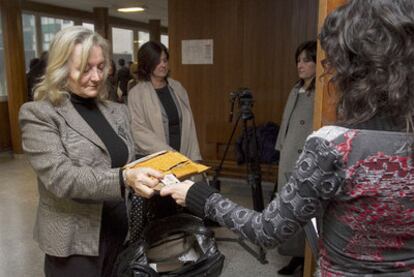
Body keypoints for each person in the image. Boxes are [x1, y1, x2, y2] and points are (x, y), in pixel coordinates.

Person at [139, 0, 414, 275]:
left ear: (354, 69)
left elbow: (266, 229)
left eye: (331, 62)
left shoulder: (334, 147)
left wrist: (197, 194)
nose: (328, 73)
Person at [19, 26, 163, 277]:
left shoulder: (116, 110)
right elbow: (62, 177)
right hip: (74, 244)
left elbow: (125, 158)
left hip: (120, 232)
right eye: (85, 69)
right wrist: (124, 178)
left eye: (100, 66)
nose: (96, 77)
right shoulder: (40, 114)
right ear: (62, 69)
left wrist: (161, 166)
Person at [274, 40, 317, 274]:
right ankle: (294, 255)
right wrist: (280, 147)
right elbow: (286, 124)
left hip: (303, 159)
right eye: (298, 60)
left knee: (302, 209)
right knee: (287, 208)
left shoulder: (320, 94)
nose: (300, 65)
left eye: (306, 60)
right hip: (288, 155)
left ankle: (304, 257)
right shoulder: (296, 88)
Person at [128, 41, 201, 161]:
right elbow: (138, 131)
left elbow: (190, 124)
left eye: (165, 60)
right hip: (155, 158)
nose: (163, 65)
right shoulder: (137, 94)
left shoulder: (177, 87)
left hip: (183, 153)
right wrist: (169, 153)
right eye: (157, 61)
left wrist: (194, 155)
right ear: (147, 64)